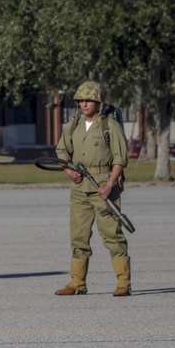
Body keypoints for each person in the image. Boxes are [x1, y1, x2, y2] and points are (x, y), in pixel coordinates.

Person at [54, 81, 131, 296]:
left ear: (97, 103)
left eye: (88, 100)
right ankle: (77, 283)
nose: (83, 104)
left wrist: (109, 184)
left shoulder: (110, 126)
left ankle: (123, 283)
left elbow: (120, 159)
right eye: (80, 101)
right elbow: (61, 151)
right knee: (78, 236)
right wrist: (69, 171)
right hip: (80, 189)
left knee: (112, 234)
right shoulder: (74, 125)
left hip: (103, 187)